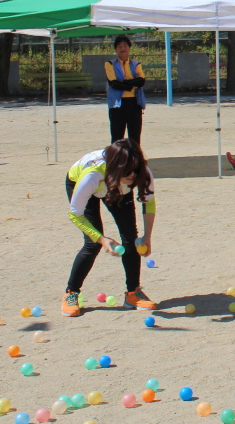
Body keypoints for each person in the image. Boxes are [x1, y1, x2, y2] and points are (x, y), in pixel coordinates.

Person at [62, 140, 158, 316]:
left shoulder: (140, 173)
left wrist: (147, 237)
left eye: (135, 169)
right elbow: (75, 214)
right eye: (127, 170)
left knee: (131, 239)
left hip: (116, 187)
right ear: (116, 167)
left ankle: (132, 293)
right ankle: (71, 293)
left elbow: (149, 204)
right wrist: (102, 239)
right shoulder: (91, 176)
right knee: (93, 244)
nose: (132, 175)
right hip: (90, 185)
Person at [105, 35, 146, 145]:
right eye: (119, 46)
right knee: (117, 137)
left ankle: (135, 161)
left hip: (134, 103)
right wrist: (131, 85)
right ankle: (117, 160)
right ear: (115, 49)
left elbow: (141, 81)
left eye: (125, 46)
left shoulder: (136, 64)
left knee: (135, 137)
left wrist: (123, 83)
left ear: (129, 48)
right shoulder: (109, 64)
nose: (122, 48)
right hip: (117, 105)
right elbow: (113, 83)